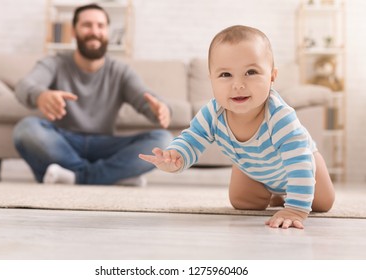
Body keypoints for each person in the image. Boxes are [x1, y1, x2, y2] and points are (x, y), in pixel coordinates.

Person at [139, 25, 335, 229]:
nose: (238, 84)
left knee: (322, 203)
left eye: (251, 72)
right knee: (242, 202)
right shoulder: (213, 114)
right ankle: (276, 194)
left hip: (301, 165)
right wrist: (176, 156)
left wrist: (295, 209)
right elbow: (193, 137)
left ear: (272, 77)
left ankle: (287, 197)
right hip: (254, 170)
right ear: (211, 80)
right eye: (225, 75)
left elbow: (299, 163)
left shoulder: (280, 117)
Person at [13, 3, 173, 186]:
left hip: (105, 145)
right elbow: (24, 85)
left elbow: (147, 100)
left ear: (107, 31)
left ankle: (74, 176)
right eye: (87, 25)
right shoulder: (55, 63)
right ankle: (112, 176)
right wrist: (40, 95)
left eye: (100, 26)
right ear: (74, 31)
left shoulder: (120, 71)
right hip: (64, 143)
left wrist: (162, 110)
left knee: (164, 140)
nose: (94, 31)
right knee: (25, 129)